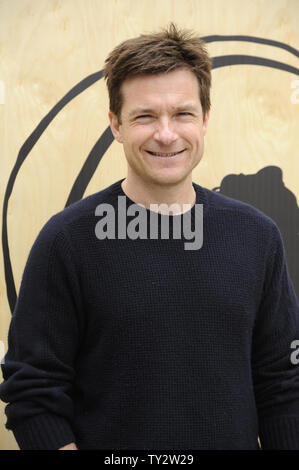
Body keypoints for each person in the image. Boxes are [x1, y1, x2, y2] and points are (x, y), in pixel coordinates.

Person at [1, 23, 299, 451]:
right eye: (145, 116)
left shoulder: (257, 237)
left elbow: (284, 384)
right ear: (115, 125)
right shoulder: (66, 241)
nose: (165, 133)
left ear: (205, 119)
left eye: (182, 113)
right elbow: (33, 391)